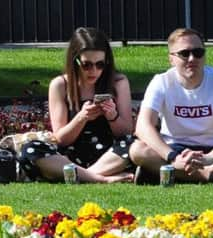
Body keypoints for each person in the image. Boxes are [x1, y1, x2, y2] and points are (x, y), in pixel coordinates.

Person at [130, 28, 213, 184]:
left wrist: (210, 158)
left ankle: (166, 174)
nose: (192, 59)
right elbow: (143, 127)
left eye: (198, 53)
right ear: (171, 58)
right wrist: (173, 157)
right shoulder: (161, 82)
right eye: (184, 54)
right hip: (174, 149)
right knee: (137, 151)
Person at [22, 27, 134, 183]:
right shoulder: (60, 85)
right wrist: (81, 118)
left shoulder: (118, 83)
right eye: (86, 65)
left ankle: (80, 176)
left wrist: (112, 116)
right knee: (31, 149)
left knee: (134, 145)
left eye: (100, 64)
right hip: (70, 155)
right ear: (74, 61)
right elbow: (61, 139)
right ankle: (100, 179)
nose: (93, 71)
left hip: (108, 154)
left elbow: (126, 132)